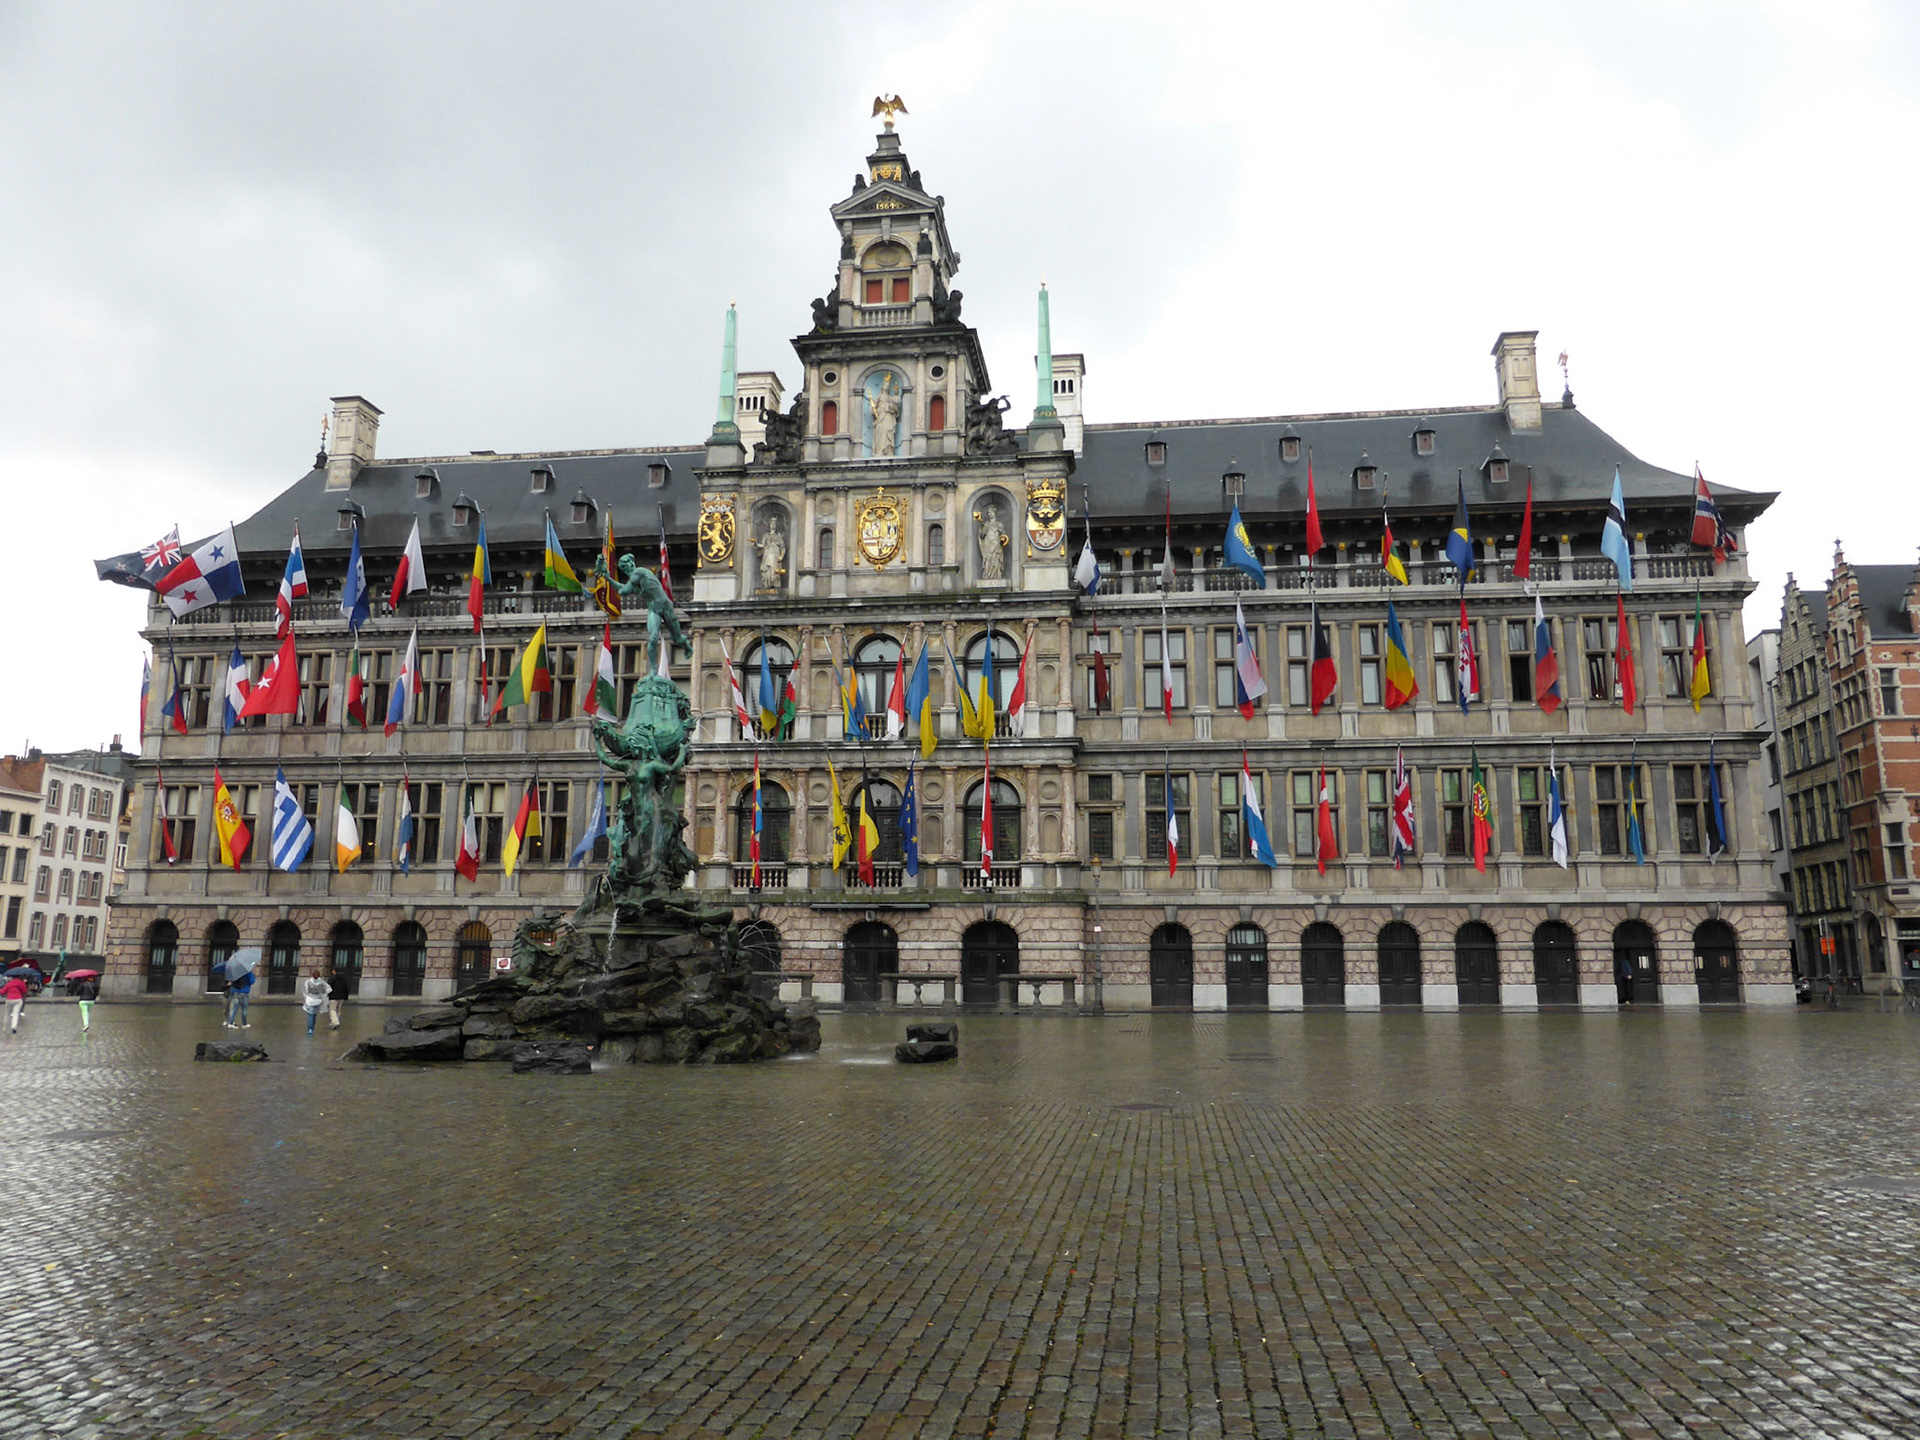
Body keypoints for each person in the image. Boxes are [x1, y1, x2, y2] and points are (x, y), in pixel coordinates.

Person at [300, 971, 330, 1036]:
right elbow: (328, 989)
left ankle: (310, 1029)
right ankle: (312, 1027)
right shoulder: (322, 982)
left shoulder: (308, 982)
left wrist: (305, 997)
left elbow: (305, 990)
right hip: (318, 999)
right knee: (314, 1014)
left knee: (310, 1014)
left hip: (310, 999)